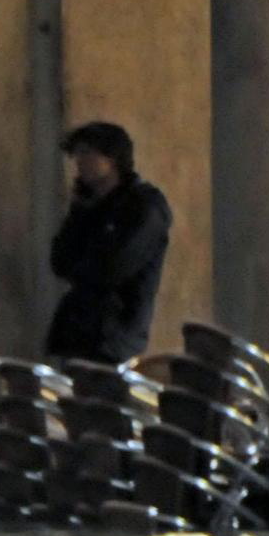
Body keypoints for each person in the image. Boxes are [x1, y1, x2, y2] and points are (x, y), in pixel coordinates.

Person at [45, 120, 172, 365]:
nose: (79, 162)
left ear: (112, 158)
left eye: (87, 153)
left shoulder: (143, 206)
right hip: (74, 333)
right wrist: (81, 212)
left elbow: (112, 267)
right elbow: (60, 261)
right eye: (77, 154)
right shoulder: (87, 205)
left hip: (114, 337)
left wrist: (84, 264)